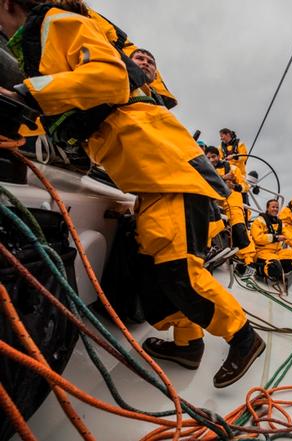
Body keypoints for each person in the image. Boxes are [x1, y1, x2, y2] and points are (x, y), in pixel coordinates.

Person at [0, 0, 264, 388]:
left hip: (170, 172)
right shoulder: (45, 48)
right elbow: (56, 109)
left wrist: (26, 92)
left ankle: (243, 338)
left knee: (179, 274)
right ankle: (188, 343)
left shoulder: (57, 22)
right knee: (152, 273)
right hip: (150, 178)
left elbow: (109, 78)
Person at [251, 199, 292, 282]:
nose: (275, 209)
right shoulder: (259, 221)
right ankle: (262, 271)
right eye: (273, 207)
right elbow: (258, 238)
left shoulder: (280, 223)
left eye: (277, 207)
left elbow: (289, 237)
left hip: (277, 253)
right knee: (274, 266)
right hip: (262, 252)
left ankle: (279, 272)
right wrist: (275, 238)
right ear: (267, 208)